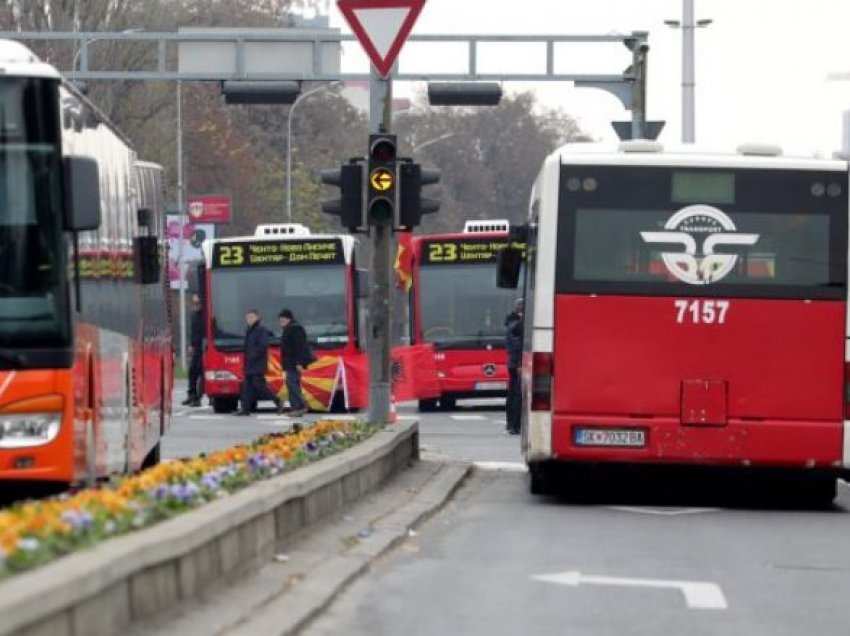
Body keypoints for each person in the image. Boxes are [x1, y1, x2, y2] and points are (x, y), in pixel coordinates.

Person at [236, 308, 281, 416]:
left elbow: (263, 345)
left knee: (259, 386)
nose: (249, 319)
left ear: (257, 318)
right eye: (248, 317)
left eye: (252, 317)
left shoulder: (261, 330)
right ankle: (245, 409)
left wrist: (253, 356)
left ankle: (278, 401)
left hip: (257, 364)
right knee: (246, 386)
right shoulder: (249, 330)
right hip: (249, 364)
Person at [279, 308, 310, 418]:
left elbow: (299, 347)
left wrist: (298, 362)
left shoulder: (295, 329)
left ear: (289, 319)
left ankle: (300, 405)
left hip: (294, 363)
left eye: (282, 319)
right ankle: (296, 408)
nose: (280, 322)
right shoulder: (289, 328)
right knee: (291, 384)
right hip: (289, 363)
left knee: (292, 383)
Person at [505, 298, 524, 435]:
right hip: (517, 363)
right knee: (517, 393)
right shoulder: (517, 325)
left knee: (512, 393)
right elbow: (517, 346)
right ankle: (515, 425)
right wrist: (519, 363)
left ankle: (511, 423)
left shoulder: (510, 323)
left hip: (513, 362)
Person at [182, 294, 204, 407]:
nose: (196, 305)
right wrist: (190, 344)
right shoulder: (194, 316)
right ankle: (191, 395)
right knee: (192, 371)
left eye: (198, 303)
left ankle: (198, 398)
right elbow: (193, 332)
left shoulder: (205, 315)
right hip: (196, 347)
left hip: (204, 348)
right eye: (194, 303)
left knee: (201, 372)